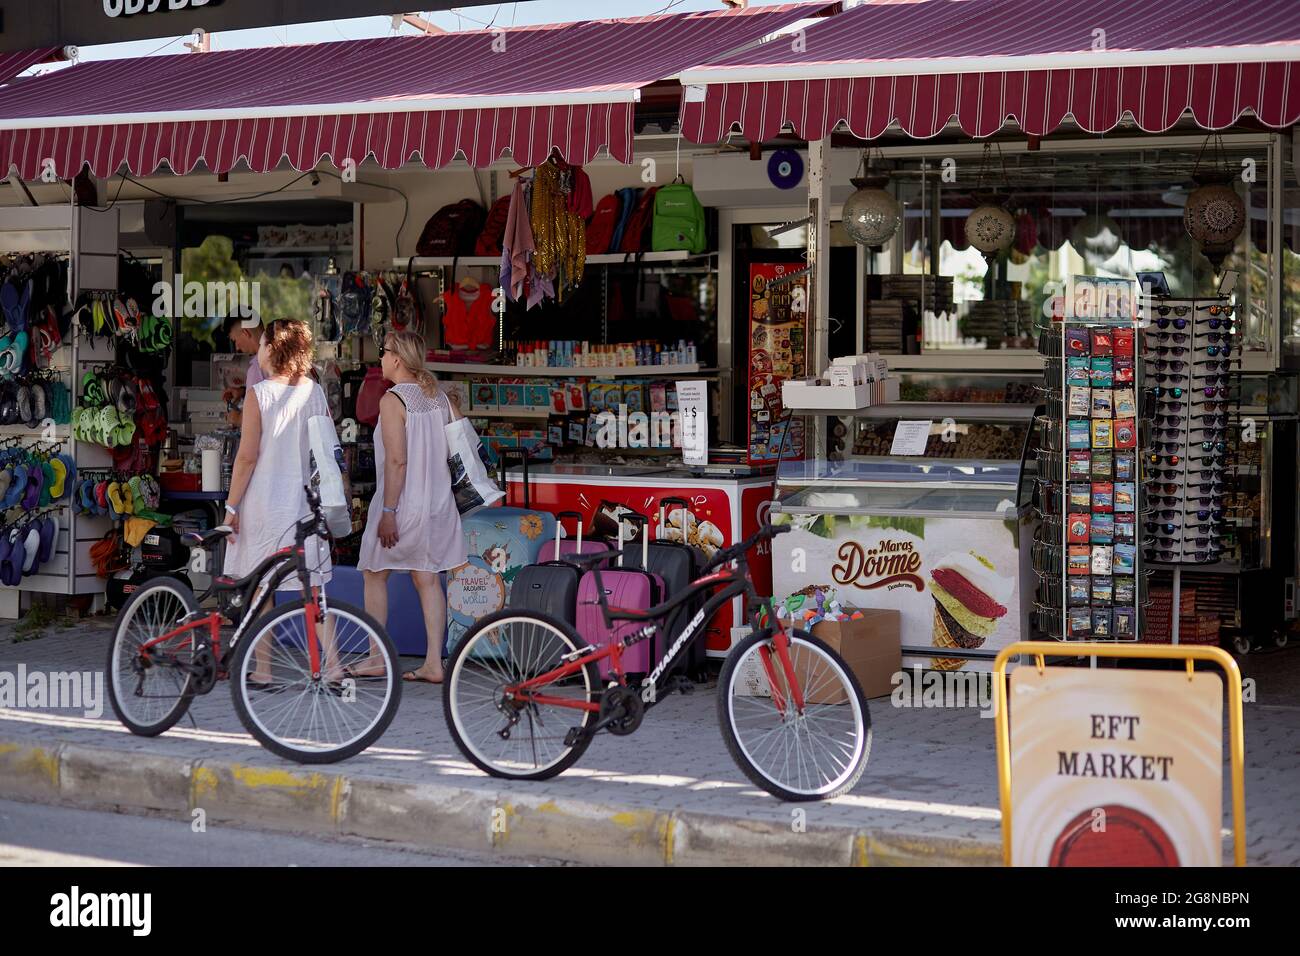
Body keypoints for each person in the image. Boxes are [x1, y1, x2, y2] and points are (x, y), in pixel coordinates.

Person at [222, 319, 335, 686]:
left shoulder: (259, 394)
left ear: (272, 348)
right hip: (305, 502)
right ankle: (332, 665)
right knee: (313, 587)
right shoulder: (314, 392)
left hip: (264, 502)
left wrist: (231, 506)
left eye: (263, 343)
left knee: (260, 585)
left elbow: (246, 457)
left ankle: (265, 668)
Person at [358, 329, 467, 684]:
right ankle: (435, 661)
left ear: (397, 359)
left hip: (404, 504)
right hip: (439, 504)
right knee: (427, 577)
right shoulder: (440, 397)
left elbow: (397, 462)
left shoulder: (393, 401)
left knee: (374, 573)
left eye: (383, 351)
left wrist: (388, 512)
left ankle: (376, 656)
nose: (380, 358)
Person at [223, 314, 264, 391]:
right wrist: (243, 392)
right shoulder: (287, 356)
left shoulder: (256, 370)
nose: (237, 347)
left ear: (246, 333)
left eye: (235, 341)